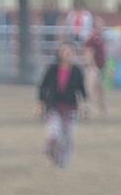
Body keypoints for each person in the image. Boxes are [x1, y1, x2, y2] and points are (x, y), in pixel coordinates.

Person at [37, 38, 89, 168]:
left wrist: (84, 106)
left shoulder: (77, 71)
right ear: (59, 53)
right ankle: (51, 152)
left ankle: (63, 161)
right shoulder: (52, 69)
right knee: (53, 134)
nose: (67, 53)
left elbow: (82, 90)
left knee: (67, 135)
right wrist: (40, 104)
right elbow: (43, 87)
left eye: (70, 51)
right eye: (64, 51)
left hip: (70, 107)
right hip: (53, 106)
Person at [59, 0, 107, 115]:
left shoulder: (98, 37)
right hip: (93, 66)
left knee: (98, 89)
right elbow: (88, 52)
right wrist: (90, 65)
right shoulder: (91, 39)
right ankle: (86, 108)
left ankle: (102, 110)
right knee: (89, 88)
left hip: (98, 66)